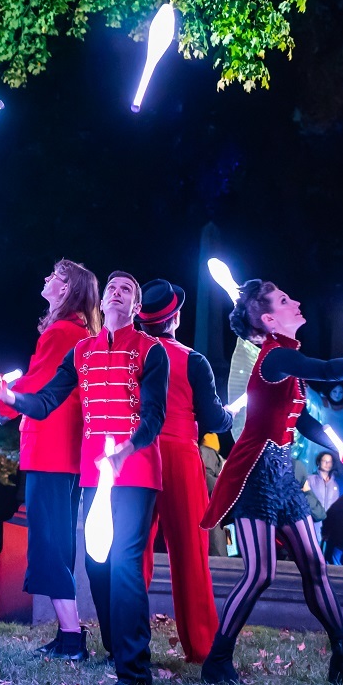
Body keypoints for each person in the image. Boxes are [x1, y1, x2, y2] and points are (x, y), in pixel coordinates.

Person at [0, 271, 170, 685]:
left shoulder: (152, 351)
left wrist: (127, 450)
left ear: (134, 307)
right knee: (97, 564)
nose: (116, 291)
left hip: (137, 472)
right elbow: (45, 400)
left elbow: (154, 415)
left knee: (125, 563)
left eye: (127, 289)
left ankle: (134, 673)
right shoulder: (82, 350)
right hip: (94, 474)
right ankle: (114, 648)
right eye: (112, 286)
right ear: (102, 300)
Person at [199, 279, 343, 685]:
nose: (295, 301)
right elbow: (328, 370)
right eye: (283, 300)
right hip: (254, 471)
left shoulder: (286, 361)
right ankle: (218, 660)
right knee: (260, 572)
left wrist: (340, 445)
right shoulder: (276, 357)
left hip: (280, 470)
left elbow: (301, 419)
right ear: (268, 319)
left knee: (315, 564)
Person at [0, 258, 99, 659]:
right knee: (56, 543)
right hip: (63, 451)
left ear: (68, 290)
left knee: (49, 545)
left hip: (52, 450)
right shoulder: (74, 332)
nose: (46, 278)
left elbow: (36, 386)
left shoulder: (62, 332)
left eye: (55, 276)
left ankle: (73, 638)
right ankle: (67, 636)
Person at [134, 278, 237, 664]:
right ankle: (202, 647)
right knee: (190, 556)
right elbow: (213, 419)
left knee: (133, 553)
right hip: (178, 455)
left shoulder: (133, 353)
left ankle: (127, 642)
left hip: (138, 453)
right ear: (175, 318)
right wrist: (230, 414)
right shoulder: (194, 360)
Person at [199, 433, 230, 556]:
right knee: (215, 543)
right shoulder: (207, 452)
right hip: (210, 508)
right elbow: (206, 478)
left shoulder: (211, 454)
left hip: (214, 508)